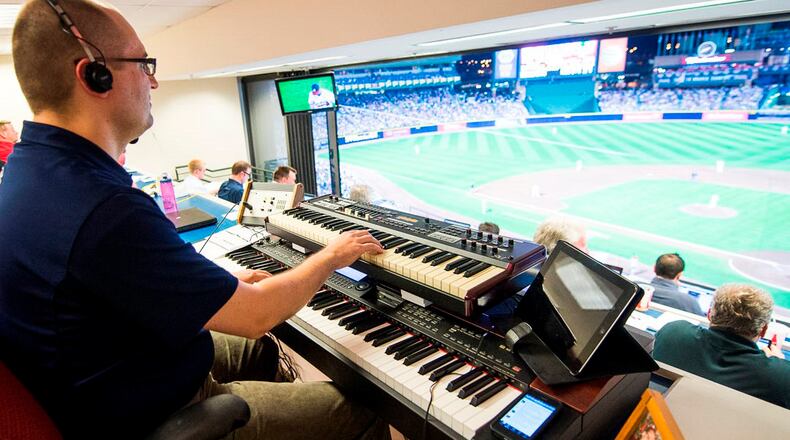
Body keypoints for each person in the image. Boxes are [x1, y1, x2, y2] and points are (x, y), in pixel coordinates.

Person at [0, 1, 387, 438]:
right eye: (144, 64)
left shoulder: (29, 169)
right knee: (359, 410)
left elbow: (114, 281)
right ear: (94, 74)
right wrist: (330, 256)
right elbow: (257, 314)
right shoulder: (102, 207)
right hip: (151, 416)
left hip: (111, 374)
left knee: (259, 351)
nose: (154, 81)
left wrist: (201, 284)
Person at [653, 284, 789, 408]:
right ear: (763, 330)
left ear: (709, 314)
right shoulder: (781, 376)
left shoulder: (673, 332)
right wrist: (778, 364)